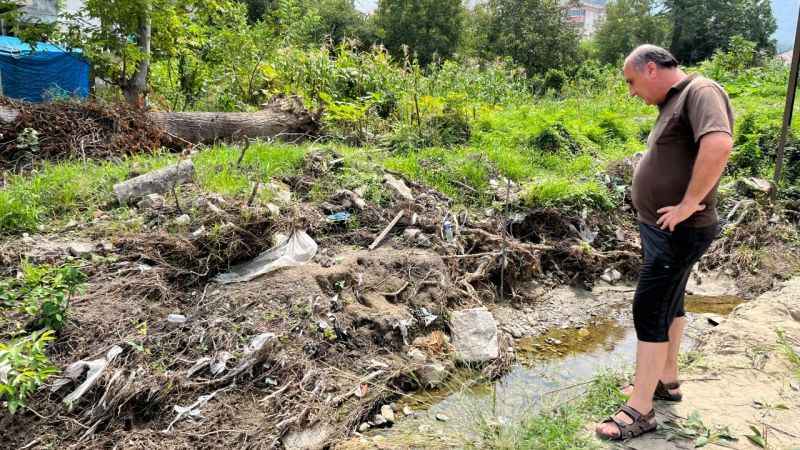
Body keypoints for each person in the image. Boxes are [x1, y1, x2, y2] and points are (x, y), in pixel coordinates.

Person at [595, 44, 734, 440]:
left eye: (632, 82)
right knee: (671, 302)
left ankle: (640, 411)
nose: (631, 91)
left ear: (651, 69)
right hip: (665, 230)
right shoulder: (674, 102)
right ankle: (666, 380)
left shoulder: (700, 91)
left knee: (650, 306)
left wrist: (690, 203)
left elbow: (719, 143)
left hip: (680, 230)